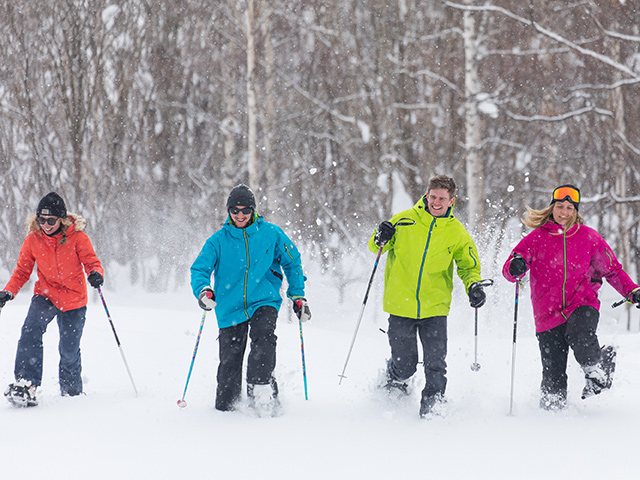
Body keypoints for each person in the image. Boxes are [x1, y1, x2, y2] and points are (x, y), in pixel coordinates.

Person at [502, 184, 640, 410]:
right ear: (552, 208)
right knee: (553, 378)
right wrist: (515, 266)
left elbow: (612, 270)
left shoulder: (589, 238)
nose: (564, 212)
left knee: (580, 334)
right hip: (547, 315)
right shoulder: (535, 239)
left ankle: (597, 369)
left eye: (569, 207)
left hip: (582, 303)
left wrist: (632, 291)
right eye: (559, 206)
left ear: (576, 211)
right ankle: (552, 420)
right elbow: (509, 270)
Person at [369, 174, 485, 418]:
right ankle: (394, 377)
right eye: (433, 196)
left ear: (451, 201)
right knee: (405, 365)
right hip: (401, 306)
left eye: (442, 198)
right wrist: (380, 236)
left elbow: (468, 265)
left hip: (435, 308)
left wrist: (474, 285)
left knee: (436, 364)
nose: (436, 202)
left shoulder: (456, 232)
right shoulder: (405, 220)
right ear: (427, 195)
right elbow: (377, 246)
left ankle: (433, 405)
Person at [190, 184, 311, 415]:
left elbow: (293, 261)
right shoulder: (218, 241)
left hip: (263, 299)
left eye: (245, 210)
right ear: (228, 212)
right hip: (229, 305)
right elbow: (200, 269)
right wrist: (204, 290)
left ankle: (262, 389)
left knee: (264, 337)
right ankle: (227, 411)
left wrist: (297, 295)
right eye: (235, 210)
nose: (240, 215)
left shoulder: (271, 233)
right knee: (230, 363)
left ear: (253, 210)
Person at [1, 192, 104, 407]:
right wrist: (9, 291)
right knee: (30, 330)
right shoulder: (33, 240)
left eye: (51, 220)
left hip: (74, 299)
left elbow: (91, 262)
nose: (46, 225)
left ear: (62, 219)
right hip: (46, 295)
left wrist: (96, 273)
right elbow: (22, 271)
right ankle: (26, 384)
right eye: (41, 219)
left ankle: (72, 392)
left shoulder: (78, 238)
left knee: (68, 349)